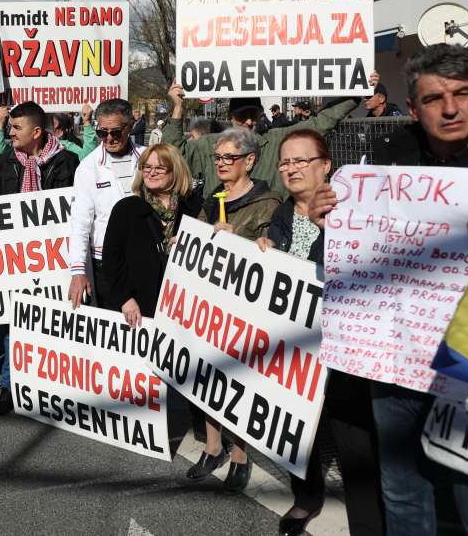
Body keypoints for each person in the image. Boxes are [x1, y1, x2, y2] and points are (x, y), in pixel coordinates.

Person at [309, 44, 468, 536]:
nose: (450, 108)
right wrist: (331, 215)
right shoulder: (389, 155)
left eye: (461, 94)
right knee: (403, 494)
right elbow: (365, 235)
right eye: (433, 99)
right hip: (399, 358)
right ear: (412, 106)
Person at [255, 130, 384, 536]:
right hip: (294, 344)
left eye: (301, 160)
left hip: (342, 341)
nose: (291, 169)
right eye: (285, 162)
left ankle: (370, 520)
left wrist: (330, 229)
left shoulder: (352, 209)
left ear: (326, 165)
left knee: (353, 438)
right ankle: (306, 497)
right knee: (296, 428)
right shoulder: (281, 213)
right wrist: (261, 247)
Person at [186, 126, 282, 490]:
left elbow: (270, 252)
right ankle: (213, 446)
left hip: (242, 308)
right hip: (209, 302)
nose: (222, 163)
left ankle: (240, 453)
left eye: (230, 157)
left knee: (237, 379)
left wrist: (237, 240)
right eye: (218, 157)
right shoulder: (213, 198)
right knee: (207, 375)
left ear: (250, 160)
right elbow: (198, 237)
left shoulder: (267, 202)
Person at [0, 101, 78, 415]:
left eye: (16, 127)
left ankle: (51, 387)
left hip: (53, 257)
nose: (10, 132)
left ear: (36, 132)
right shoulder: (6, 161)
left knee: (54, 321)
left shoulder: (67, 161)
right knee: (13, 321)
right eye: (10, 127)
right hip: (16, 256)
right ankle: (9, 386)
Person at [165, 83, 360, 197]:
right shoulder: (210, 144)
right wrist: (178, 107)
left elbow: (320, 123)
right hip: (220, 235)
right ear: (231, 116)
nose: (249, 122)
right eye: (242, 116)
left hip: (265, 239)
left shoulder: (275, 141)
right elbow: (173, 154)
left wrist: (358, 93)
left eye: (254, 115)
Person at [102, 144, 201, 326]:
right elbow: (111, 262)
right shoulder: (127, 209)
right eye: (147, 167)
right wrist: (125, 299)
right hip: (139, 310)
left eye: (160, 168)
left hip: (183, 311)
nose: (151, 173)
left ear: (175, 171)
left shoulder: (195, 207)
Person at [68, 98, 145, 309]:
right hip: (106, 262)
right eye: (102, 132)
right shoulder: (88, 167)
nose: (109, 138)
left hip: (144, 256)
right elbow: (80, 223)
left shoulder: (148, 158)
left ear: (130, 126)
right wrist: (78, 270)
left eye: (116, 132)